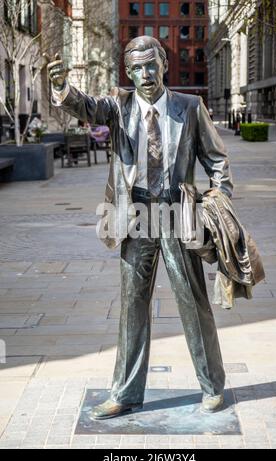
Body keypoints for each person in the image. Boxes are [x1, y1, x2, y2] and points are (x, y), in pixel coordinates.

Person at [46, 37, 234, 419]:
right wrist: (61, 86)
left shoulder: (190, 107)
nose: (145, 75)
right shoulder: (119, 105)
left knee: (192, 301)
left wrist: (218, 197)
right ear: (128, 72)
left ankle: (213, 385)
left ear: (164, 64)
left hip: (178, 216)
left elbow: (217, 161)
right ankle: (126, 393)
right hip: (136, 219)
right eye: (136, 68)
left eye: (151, 65)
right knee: (132, 306)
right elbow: (84, 106)